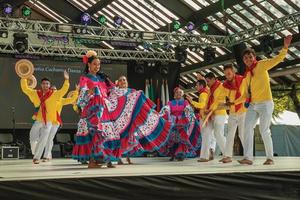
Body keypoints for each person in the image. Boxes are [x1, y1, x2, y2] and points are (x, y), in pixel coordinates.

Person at [237, 35, 292, 165]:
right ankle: (248, 158)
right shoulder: (246, 76)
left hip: (266, 103)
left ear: (254, 57)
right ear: (243, 60)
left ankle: (270, 158)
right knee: (247, 128)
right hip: (253, 105)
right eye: (245, 58)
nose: (248, 59)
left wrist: (285, 47)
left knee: (264, 130)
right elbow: (244, 95)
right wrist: (232, 103)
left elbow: (278, 59)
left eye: (250, 57)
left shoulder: (261, 65)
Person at [107, 75, 171, 164]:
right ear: (118, 83)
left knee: (130, 137)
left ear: (127, 82)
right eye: (121, 80)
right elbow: (111, 104)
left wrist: (151, 112)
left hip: (132, 118)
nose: (123, 82)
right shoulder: (114, 92)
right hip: (119, 120)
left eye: (124, 80)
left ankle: (128, 158)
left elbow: (139, 103)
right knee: (121, 138)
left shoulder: (132, 91)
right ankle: (119, 158)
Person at [72, 50, 119, 168]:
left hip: (103, 109)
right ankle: (92, 162)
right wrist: (89, 92)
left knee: (106, 134)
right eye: (94, 64)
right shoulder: (85, 78)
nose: (97, 67)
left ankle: (107, 160)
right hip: (91, 111)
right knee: (94, 135)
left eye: (99, 64)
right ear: (89, 64)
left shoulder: (101, 78)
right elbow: (81, 98)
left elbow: (110, 92)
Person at [20, 71, 70, 164]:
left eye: (47, 83)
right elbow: (25, 89)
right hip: (39, 119)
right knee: (33, 135)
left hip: (49, 121)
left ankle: (37, 157)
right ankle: (35, 152)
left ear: (49, 85)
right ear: (41, 84)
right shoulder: (36, 93)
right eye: (43, 83)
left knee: (44, 138)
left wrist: (66, 80)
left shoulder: (54, 94)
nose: (45, 85)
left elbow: (63, 91)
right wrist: (24, 77)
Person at [160, 87, 199, 161]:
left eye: (180, 93)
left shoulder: (185, 102)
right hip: (173, 121)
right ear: (174, 95)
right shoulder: (170, 102)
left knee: (182, 137)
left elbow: (188, 108)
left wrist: (187, 109)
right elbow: (167, 108)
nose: (178, 94)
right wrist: (166, 109)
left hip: (182, 121)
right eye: (177, 93)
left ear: (182, 94)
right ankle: (172, 154)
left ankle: (181, 154)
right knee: (172, 138)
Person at [42, 85, 79, 162]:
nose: (54, 91)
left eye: (55, 90)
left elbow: (72, 99)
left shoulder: (60, 100)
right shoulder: (46, 99)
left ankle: (47, 155)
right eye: (52, 90)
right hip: (47, 121)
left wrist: (76, 91)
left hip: (56, 122)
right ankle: (48, 154)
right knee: (46, 138)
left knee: (50, 138)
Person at [219, 64, 246, 163]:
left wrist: (233, 102)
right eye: (226, 75)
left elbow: (244, 96)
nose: (228, 76)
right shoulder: (225, 85)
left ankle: (248, 156)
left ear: (233, 72)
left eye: (229, 74)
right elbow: (220, 97)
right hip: (232, 112)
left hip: (243, 111)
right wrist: (216, 105)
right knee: (229, 134)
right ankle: (228, 156)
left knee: (242, 134)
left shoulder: (242, 80)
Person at [198, 72, 227, 162]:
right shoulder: (210, 89)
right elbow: (207, 102)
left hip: (220, 113)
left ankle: (227, 155)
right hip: (210, 114)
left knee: (218, 134)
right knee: (206, 133)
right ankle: (204, 156)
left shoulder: (221, 87)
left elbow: (218, 101)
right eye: (206, 81)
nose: (208, 83)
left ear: (214, 79)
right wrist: (206, 110)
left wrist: (209, 109)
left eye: (208, 81)